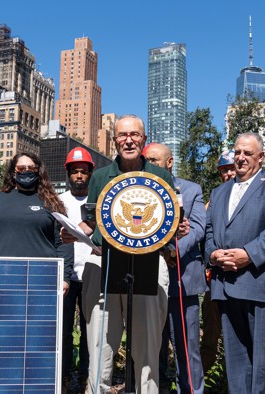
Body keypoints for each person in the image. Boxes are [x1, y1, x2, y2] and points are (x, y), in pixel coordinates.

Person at [78, 114, 177, 394]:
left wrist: (177, 230)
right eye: (122, 135)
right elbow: (92, 220)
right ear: (114, 141)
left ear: (143, 139)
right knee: (100, 344)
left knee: (146, 346)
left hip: (148, 262)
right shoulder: (99, 177)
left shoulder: (161, 176)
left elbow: (168, 222)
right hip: (105, 262)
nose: (128, 140)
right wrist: (76, 230)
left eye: (134, 135)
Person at [204, 132, 265, 394]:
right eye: (237, 152)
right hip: (226, 284)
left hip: (262, 285)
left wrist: (248, 254)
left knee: (262, 365)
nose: (241, 157)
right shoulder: (220, 191)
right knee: (235, 363)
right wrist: (212, 255)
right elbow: (210, 230)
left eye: (247, 153)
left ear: (261, 157)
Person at [144, 143, 206, 394]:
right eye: (146, 160)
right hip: (148, 281)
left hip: (183, 280)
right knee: (150, 348)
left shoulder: (191, 190)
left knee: (187, 348)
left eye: (155, 161)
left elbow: (199, 227)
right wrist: (159, 249)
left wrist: (172, 251)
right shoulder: (140, 190)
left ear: (169, 162)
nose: (150, 165)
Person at [0, 152, 71, 262]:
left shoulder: (52, 203)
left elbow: (65, 243)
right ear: (13, 172)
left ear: (38, 171)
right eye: (21, 168)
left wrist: (64, 276)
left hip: (41, 273)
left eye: (32, 168)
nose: (26, 171)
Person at [57, 147, 94, 390]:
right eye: (75, 171)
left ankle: (85, 374)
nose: (79, 176)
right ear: (68, 174)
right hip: (66, 275)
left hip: (93, 273)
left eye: (83, 171)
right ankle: (65, 373)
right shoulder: (59, 200)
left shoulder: (99, 199)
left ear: (90, 173)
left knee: (90, 329)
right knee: (65, 330)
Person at [200, 150, 235, 377]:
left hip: (243, 276)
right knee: (210, 335)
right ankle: (200, 383)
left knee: (239, 336)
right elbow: (203, 237)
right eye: (224, 170)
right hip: (215, 279)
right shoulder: (211, 203)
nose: (229, 173)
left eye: (231, 168)